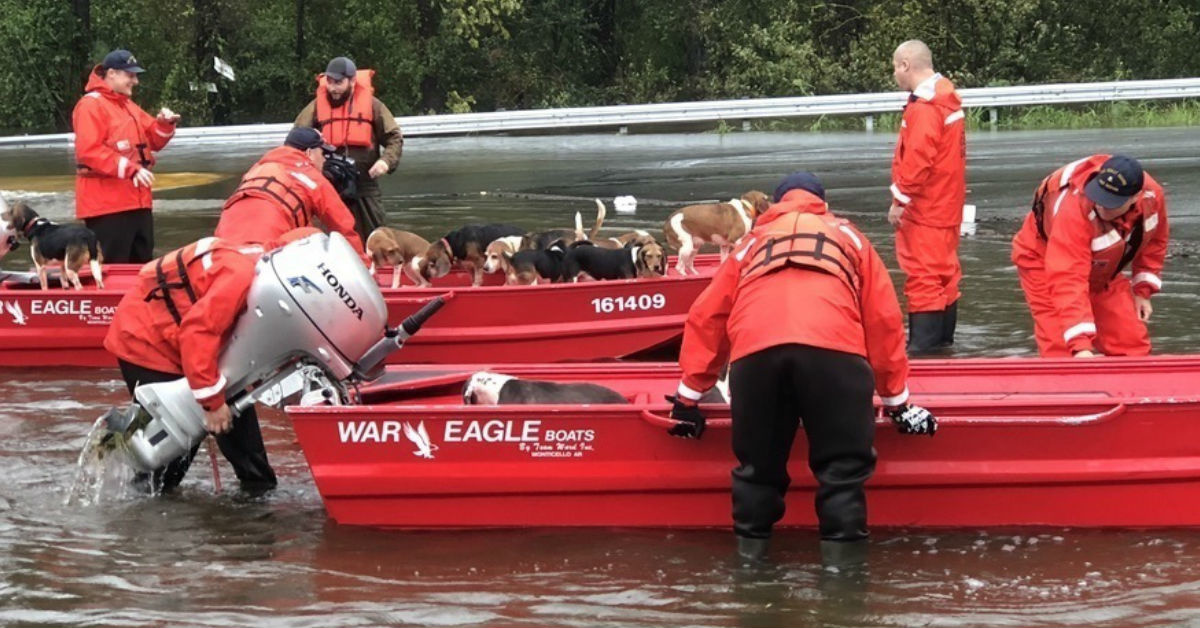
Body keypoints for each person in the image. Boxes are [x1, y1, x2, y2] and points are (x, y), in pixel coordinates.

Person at [667, 171, 938, 561]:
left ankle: (751, 579)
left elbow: (707, 317)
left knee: (757, 473)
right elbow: (884, 322)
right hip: (834, 354)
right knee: (843, 474)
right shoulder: (851, 238)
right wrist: (898, 403)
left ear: (773, 207)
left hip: (756, 356)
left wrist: (687, 399)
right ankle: (844, 591)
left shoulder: (750, 244)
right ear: (823, 204)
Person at [103, 228, 317, 492]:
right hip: (148, 342)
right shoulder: (239, 275)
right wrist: (212, 403)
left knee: (248, 452)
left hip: (185, 343)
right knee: (171, 452)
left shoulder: (266, 255)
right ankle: (132, 500)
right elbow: (197, 332)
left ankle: (257, 502)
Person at [1011, 155, 1167, 357]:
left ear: (1134, 198)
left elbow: (1155, 241)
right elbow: (1068, 278)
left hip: (1103, 267)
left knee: (1131, 344)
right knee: (1062, 349)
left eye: (1111, 204)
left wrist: (1142, 291)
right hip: (1044, 261)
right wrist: (1080, 346)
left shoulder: (1152, 197)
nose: (1101, 207)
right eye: (1098, 198)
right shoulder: (1074, 210)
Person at [888, 40, 966, 354]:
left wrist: (899, 201)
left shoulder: (926, 107)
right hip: (947, 205)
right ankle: (944, 344)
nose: (894, 74)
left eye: (895, 67)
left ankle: (922, 350)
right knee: (945, 274)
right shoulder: (946, 99)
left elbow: (917, 160)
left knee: (923, 276)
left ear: (906, 64)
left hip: (926, 208)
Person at [73, 49, 180, 263]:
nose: (136, 81)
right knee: (113, 267)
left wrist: (165, 124)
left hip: (138, 204)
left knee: (142, 266)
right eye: (130, 75)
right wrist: (131, 169)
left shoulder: (127, 106)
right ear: (111, 73)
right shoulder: (90, 105)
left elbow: (155, 140)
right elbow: (89, 150)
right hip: (107, 207)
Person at [294, 56, 403, 242]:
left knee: (377, 239)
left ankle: (374, 269)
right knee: (324, 239)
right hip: (328, 185)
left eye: (338, 82)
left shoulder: (373, 106)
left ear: (352, 81)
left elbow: (395, 137)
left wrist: (385, 161)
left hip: (365, 184)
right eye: (329, 82)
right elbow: (296, 140)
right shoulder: (315, 108)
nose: (333, 88)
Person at [214, 127, 366, 255]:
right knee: (314, 238)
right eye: (322, 153)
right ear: (309, 153)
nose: (325, 160)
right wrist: (364, 268)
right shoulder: (312, 177)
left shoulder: (257, 169)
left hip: (223, 249)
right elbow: (344, 227)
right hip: (266, 251)